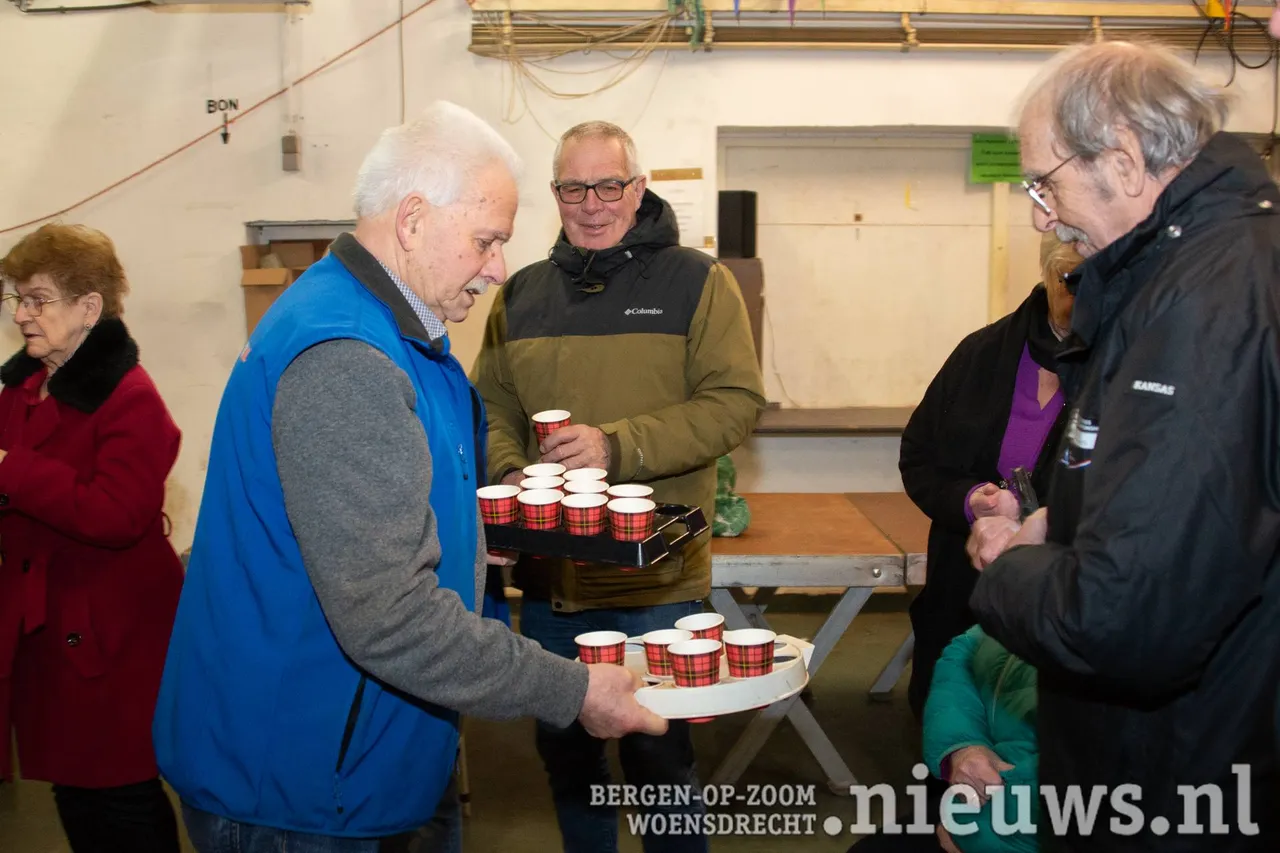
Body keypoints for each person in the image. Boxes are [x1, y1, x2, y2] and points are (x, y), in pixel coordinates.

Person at [152, 102, 666, 853]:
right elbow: (388, 615)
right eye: (487, 241)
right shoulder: (345, 358)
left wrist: (468, 540)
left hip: (364, 759)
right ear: (414, 219)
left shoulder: (397, 333)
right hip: (299, 786)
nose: (498, 269)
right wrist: (575, 688)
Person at [966, 41, 1280, 850]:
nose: (1042, 214)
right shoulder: (1192, 272)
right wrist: (1061, 529)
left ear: (1125, 160)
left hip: (1182, 781)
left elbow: (1129, 618)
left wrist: (1009, 565)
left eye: (1045, 182)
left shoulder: (1208, 305)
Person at [471, 120, 766, 852]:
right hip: (552, 582)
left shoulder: (700, 283)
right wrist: (512, 476)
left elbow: (733, 402)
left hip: (655, 581)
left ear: (638, 189)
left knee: (661, 761)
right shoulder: (520, 296)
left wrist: (616, 446)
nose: (592, 203)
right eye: (574, 187)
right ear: (555, 194)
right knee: (569, 763)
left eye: (609, 185)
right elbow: (491, 407)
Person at [0, 224, 184, 852]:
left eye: (38, 299)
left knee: (120, 796)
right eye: (17, 299)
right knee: (74, 792)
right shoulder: (23, 388)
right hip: (47, 632)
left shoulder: (130, 398)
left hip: (108, 637)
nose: (22, 314)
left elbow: (117, 514)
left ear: (88, 308)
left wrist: (9, 471)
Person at [899, 232, 1080, 721]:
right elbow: (919, 458)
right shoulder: (981, 353)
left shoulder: (1127, 366)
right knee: (954, 731)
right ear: (1047, 277)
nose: (1081, 295)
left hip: (1066, 598)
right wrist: (971, 499)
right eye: (1070, 282)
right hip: (963, 589)